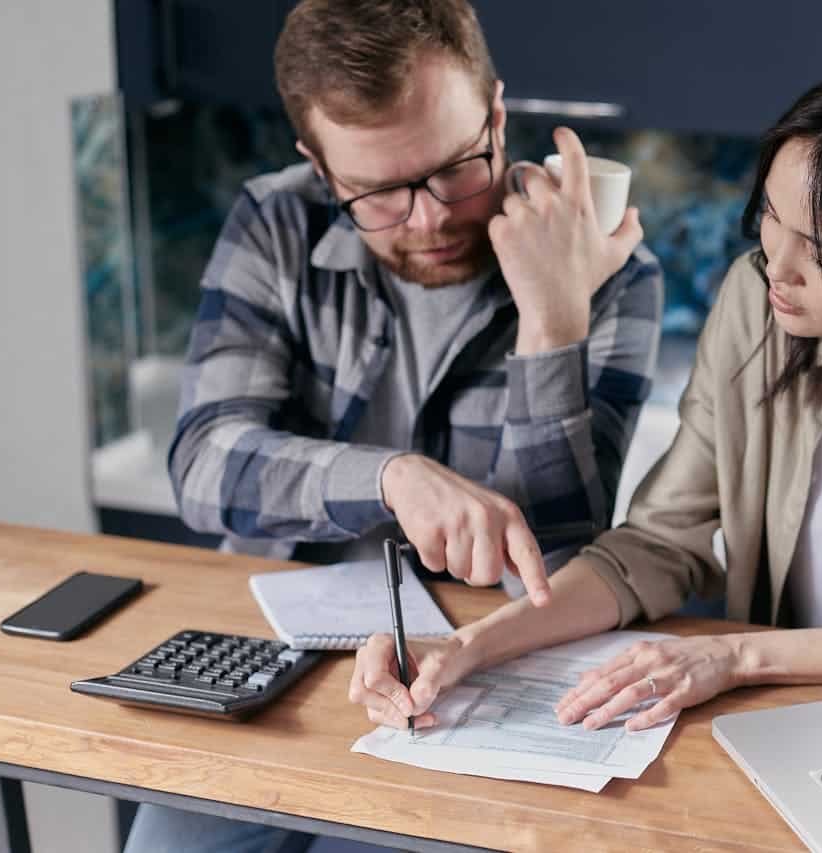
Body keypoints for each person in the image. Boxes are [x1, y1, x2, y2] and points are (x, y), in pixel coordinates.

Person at [348, 48, 822, 737]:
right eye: (771, 223)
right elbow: (654, 544)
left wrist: (736, 654)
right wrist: (470, 645)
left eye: (821, 253)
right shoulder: (757, 302)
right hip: (785, 716)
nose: (775, 268)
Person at [126, 0, 662, 850]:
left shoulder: (605, 266)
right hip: (276, 665)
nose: (431, 217)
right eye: (378, 192)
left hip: (472, 680)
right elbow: (203, 465)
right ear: (321, 168)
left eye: (456, 167)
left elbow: (560, 563)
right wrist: (389, 475)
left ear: (496, 113)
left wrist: (552, 322)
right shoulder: (276, 222)